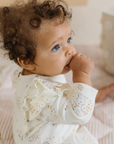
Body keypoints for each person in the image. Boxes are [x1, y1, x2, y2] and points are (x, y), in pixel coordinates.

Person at [0, 0, 113, 144]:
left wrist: (91, 95)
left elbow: (60, 94)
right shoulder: (40, 95)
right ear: (26, 61)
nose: (70, 50)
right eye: (56, 47)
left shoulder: (31, 76)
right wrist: (82, 75)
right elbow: (80, 115)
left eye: (69, 39)